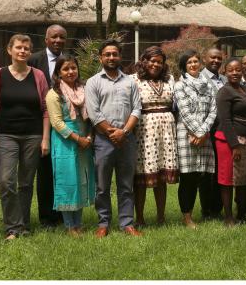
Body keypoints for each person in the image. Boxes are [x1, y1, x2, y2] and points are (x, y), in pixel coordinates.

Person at [0, 34, 50, 240]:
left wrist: (45, 138)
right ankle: (12, 227)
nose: (22, 51)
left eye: (26, 48)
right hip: (5, 134)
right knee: (6, 181)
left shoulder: (38, 76)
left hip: (33, 135)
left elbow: (45, 109)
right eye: (18, 47)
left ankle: (23, 225)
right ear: (10, 50)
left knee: (25, 182)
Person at [85, 39, 142, 238]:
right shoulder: (93, 82)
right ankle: (103, 223)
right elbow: (94, 113)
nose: (111, 57)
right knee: (102, 186)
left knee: (126, 185)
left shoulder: (130, 82)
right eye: (107, 54)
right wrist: (112, 133)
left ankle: (127, 223)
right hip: (103, 141)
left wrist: (124, 132)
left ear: (120, 56)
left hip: (127, 140)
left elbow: (137, 108)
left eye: (114, 54)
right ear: (101, 57)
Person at [46, 55, 96, 237]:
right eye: (66, 69)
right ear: (58, 72)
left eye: (73, 68)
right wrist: (77, 138)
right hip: (65, 141)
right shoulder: (54, 94)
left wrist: (89, 136)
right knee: (67, 181)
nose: (70, 72)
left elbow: (90, 116)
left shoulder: (84, 90)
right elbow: (57, 123)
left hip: (85, 140)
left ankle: (79, 223)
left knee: (81, 181)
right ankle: (69, 225)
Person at [131, 46, 178, 227]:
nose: (155, 64)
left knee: (161, 177)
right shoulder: (134, 80)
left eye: (159, 61)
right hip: (144, 131)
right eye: (152, 60)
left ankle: (161, 217)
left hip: (166, 130)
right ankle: (140, 218)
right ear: (144, 61)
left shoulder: (169, 79)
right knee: (141, 176)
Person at [27, 24, 68, 228]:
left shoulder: (67, 61)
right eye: (54, 37)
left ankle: (63, 214)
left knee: (62, 169)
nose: (58, 40)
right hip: (40, 123)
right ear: (46, 39)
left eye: (61, 37)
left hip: (64, 123)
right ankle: (46, 217)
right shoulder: (33, 60)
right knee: (44, 172)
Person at [175, 50, 217, 228]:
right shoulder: (180, 85)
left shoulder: (208, 85)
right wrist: (198, 133)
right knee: (188, 177)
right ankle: (187, 216)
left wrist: (204, 132)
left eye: (195, 61)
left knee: (203, 175)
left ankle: (207, 212)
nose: (193, 65)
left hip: (204, 136)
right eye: (189, 62)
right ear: (184, 66)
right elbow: (184, 112)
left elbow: (213, 110)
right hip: (187, 135)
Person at [214, 58, 246, 226]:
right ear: (225, 72)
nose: (235, 72)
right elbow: (225, 120)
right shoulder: (225, 91)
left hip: (245, 140)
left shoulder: (245, 89)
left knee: (243, 179)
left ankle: (242, 215)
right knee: (228, 180)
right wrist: (234, 145)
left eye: (238, 69)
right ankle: (228, 217)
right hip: (228, 142)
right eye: (231, 70)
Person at [200, 47, 226, 218]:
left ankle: (218, 208)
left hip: (223, 131)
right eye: (212, 58)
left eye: (219, 58)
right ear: (205, 59)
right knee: (205, 172)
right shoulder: (198, 78)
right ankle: (207, 209)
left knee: (219, 170)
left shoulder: (225, 79)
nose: (216, 61)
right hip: (205, 130)